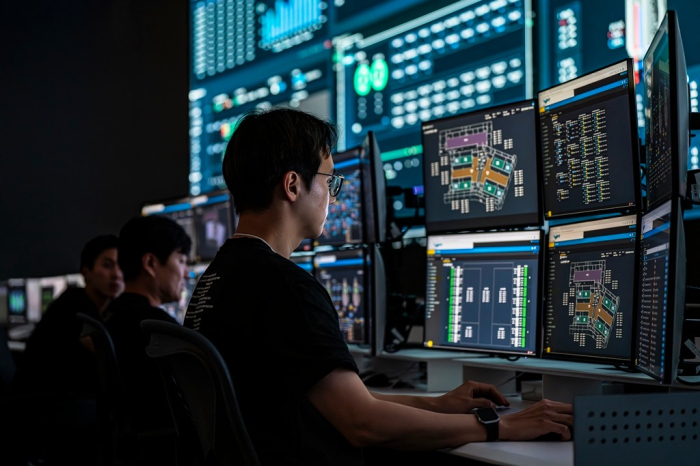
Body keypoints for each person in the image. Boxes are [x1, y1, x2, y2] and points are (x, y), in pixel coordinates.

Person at [183, 107, 573, 465]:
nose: (333, 197)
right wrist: (499, 426)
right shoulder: (286, 289)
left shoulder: (217, 281)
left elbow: (333, 400)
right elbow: (363, 423)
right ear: (292, 185)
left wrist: (439, 406)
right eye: (329, 181)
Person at [103, 215, 191, 462]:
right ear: (150, 263)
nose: (186, 272)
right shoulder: (156, 329)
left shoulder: (113, 315)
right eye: (181, 260)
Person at [12, 234, 124, 396]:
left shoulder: (94, 305)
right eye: (107, 265)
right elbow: (108, 355)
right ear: (86, 273)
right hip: (44, 406)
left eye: (122, 266)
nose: (117, 274)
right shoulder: (74, 307)